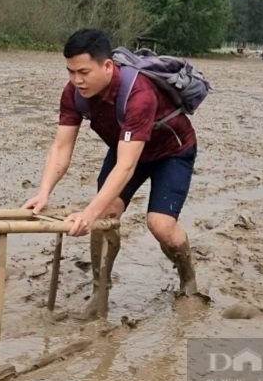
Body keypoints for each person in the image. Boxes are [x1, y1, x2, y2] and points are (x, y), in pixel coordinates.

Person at [22, 28, 205, 321]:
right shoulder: (73, 94)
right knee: (107, 213)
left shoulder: (139, 94)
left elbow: (126, 168)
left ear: (107, 66)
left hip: (171, 152)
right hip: (127, 148)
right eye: (70, 72)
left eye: (83, 72)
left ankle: (188, 279)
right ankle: (100, 293)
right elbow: (61, 146)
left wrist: (89, 213)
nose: (76, 80)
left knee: (160, 225)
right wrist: (44, 192)